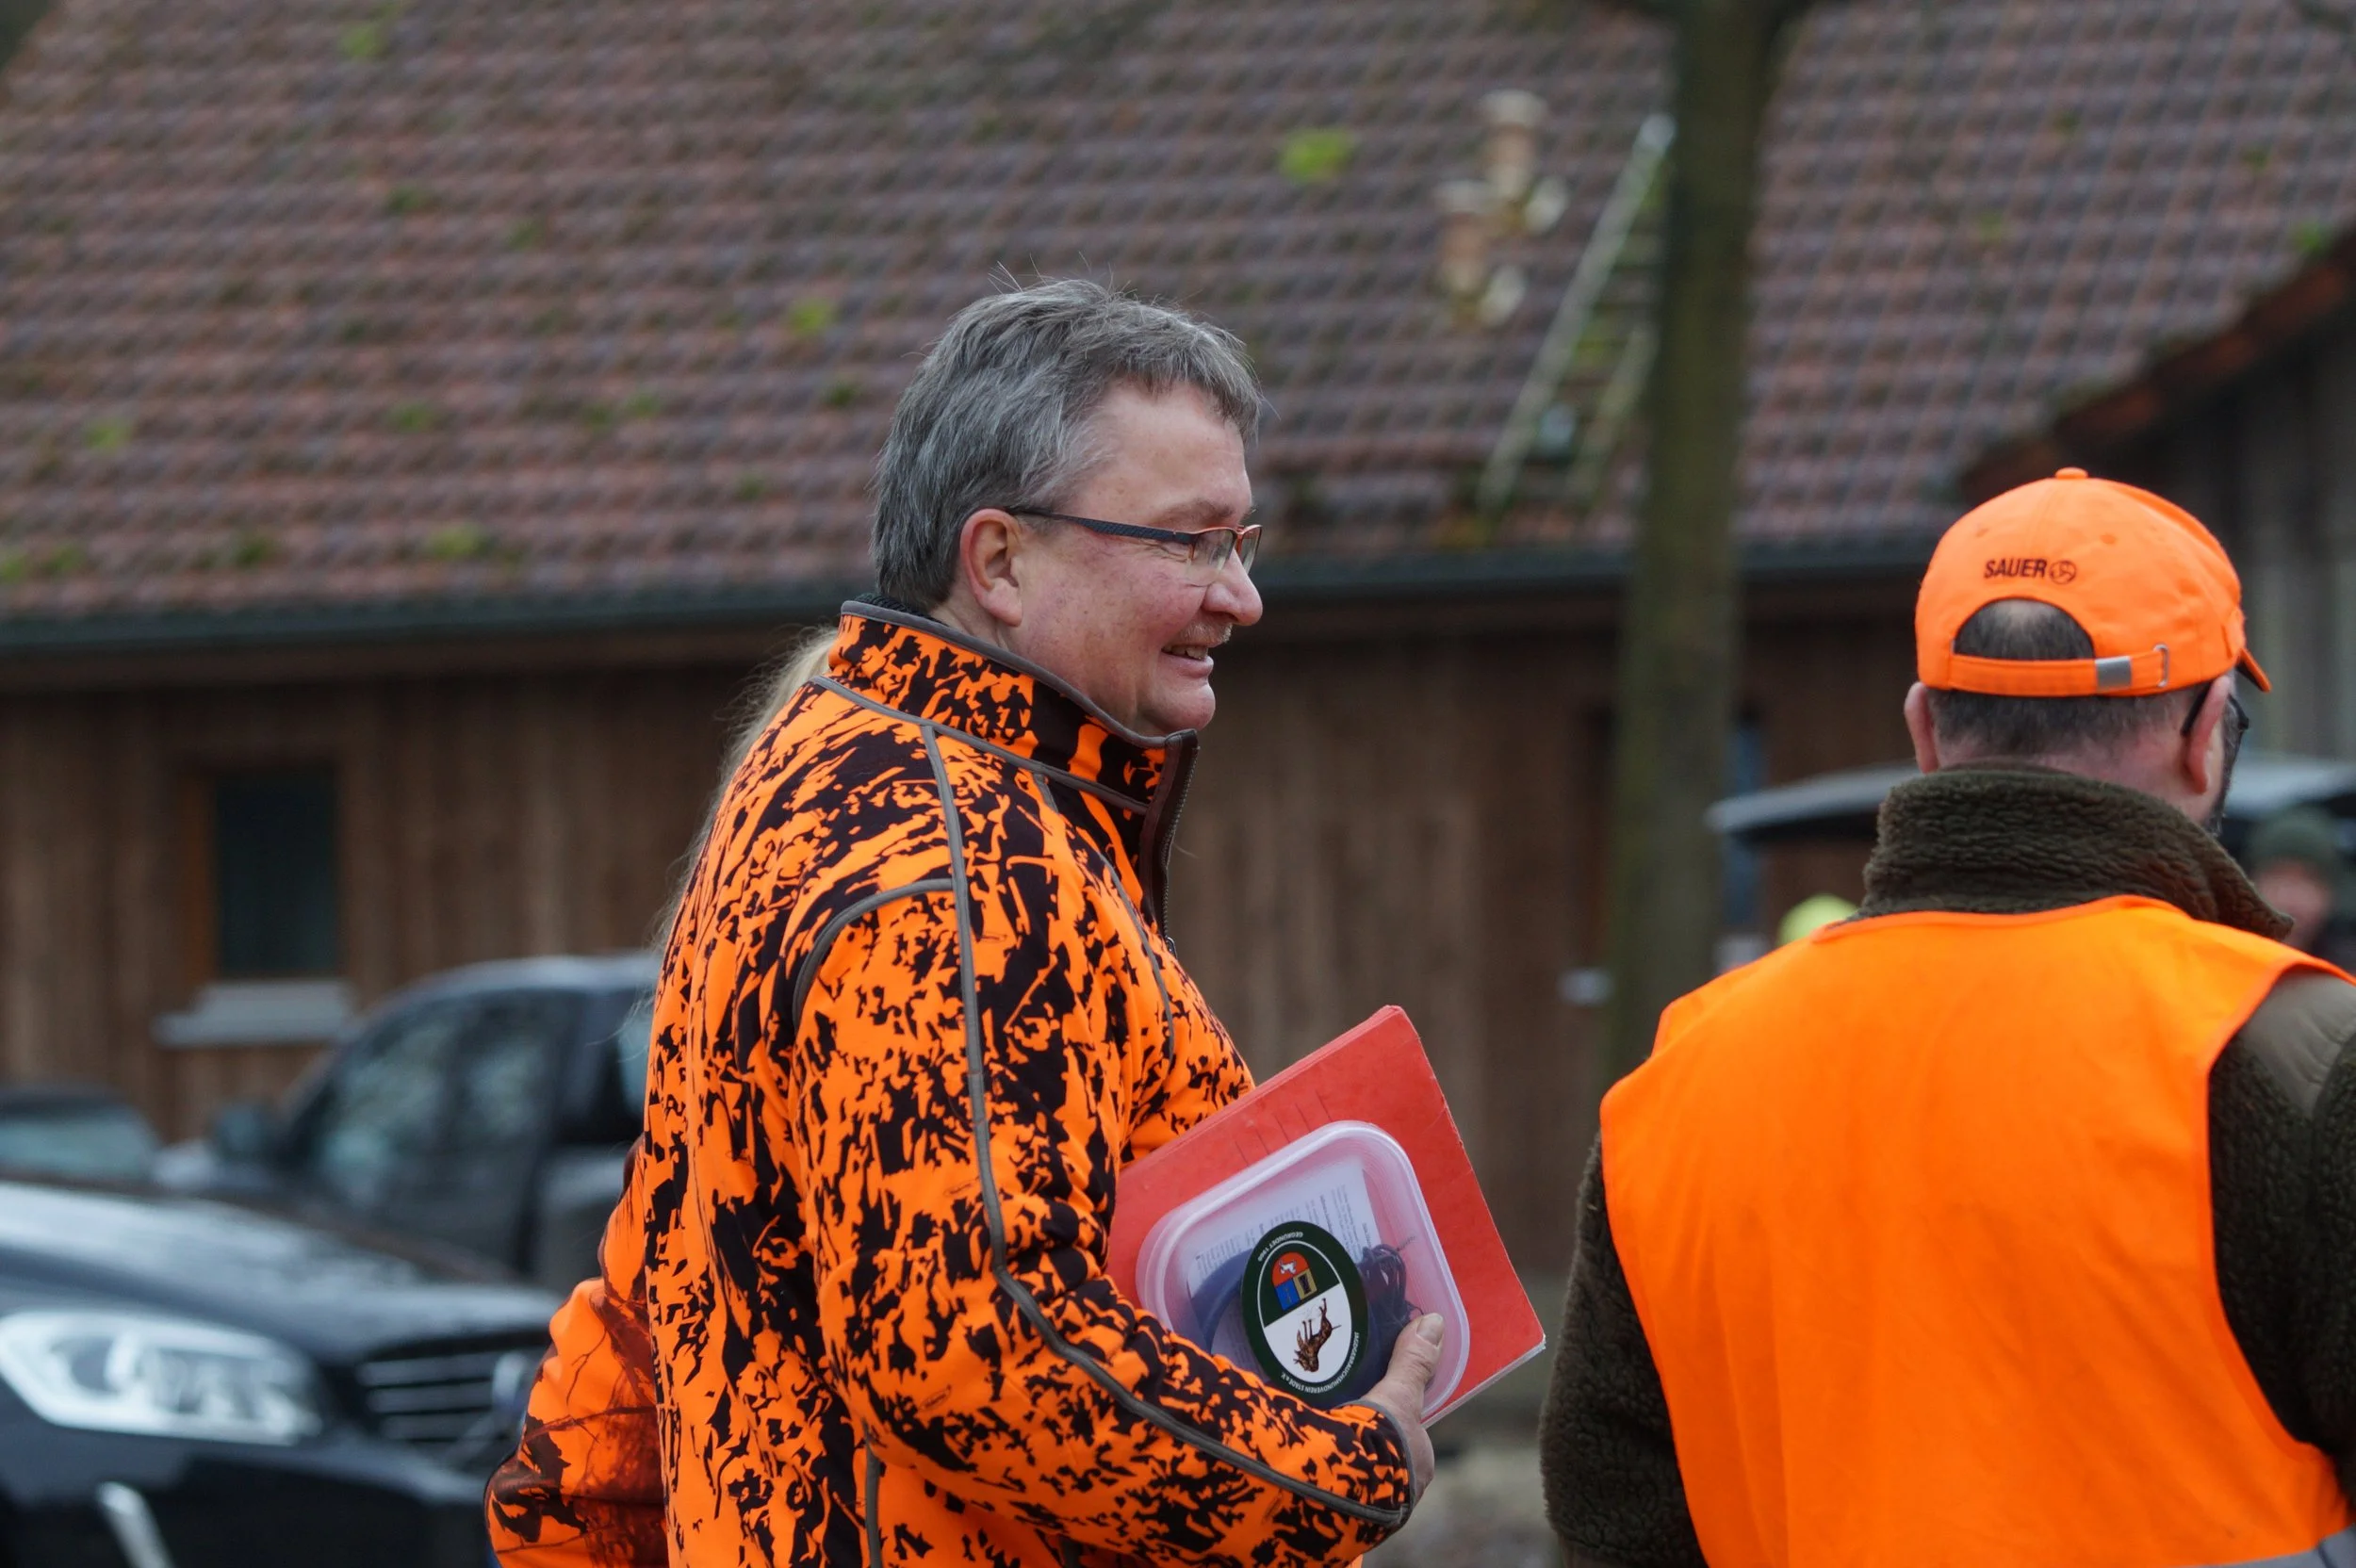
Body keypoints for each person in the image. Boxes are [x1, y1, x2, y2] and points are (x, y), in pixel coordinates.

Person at [484, 280, 1445, 1568]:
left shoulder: (827, 776)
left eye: (1241, 542)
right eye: (1189, 543)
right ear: (999, 561)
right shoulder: (959, 861)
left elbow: (655, 1298)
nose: (1239, 595)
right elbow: (977, 1355)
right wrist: (1337, 1470)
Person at [1540, 469, 2356, 1567]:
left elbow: (1613, 1518)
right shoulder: (2298, 1053)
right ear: (2208, 731)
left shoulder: (1685, 1076)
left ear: (1924, 727)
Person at [2249, 805, 2352, 962]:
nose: (2290, 902)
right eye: (2278, 878)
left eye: (2309, 881)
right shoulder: (2219, 960)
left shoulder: (2345, 971)